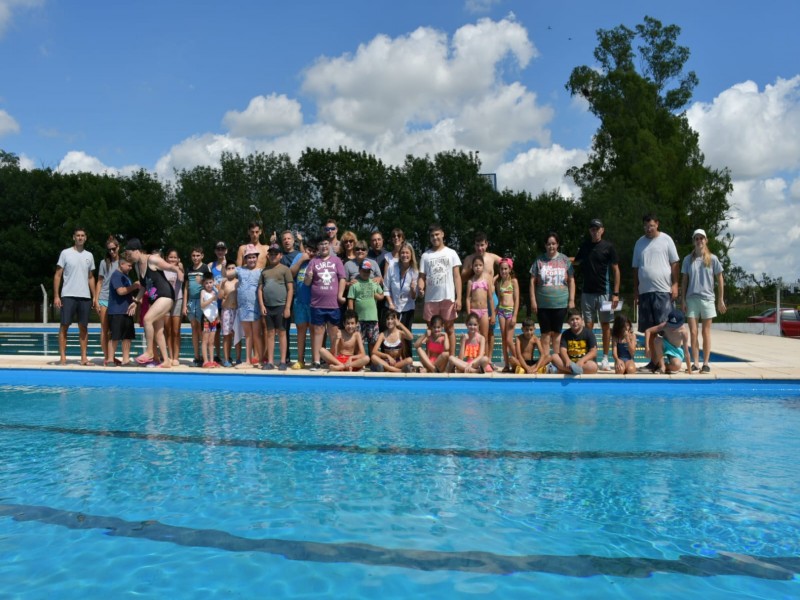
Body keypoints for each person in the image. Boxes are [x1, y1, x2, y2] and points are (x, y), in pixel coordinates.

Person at [632, 213, 680, 372]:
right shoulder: (639, 243)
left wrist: (675, 284)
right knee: (649, 329)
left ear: (657, 224)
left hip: (662, 291)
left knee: (665, 328)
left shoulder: (666, 240)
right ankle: (654, 363)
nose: (648, 228)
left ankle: (669, 361)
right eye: (646, 226)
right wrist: (636, 290)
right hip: (645, 292)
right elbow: (635, 269)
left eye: (651, 225)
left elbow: (674, 264)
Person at [574, 218, 620, 371]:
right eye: (592, 229)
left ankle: (605, 357)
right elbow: (576, 261)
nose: (595, 231)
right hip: (587, 293)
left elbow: (616, 270)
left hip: (604, 293)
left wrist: (615, 293)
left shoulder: (608, 247)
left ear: (602, 230)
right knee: (587, 326)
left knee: (605, 325)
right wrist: (559, 258)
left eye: (597, 228)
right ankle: (591, 356)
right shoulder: (585, 246)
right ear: (590, 231)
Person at [126, 238, 179, 367]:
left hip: (165, 296)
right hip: (154, 298)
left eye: (129, 253)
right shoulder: (138, 266)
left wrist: (180, 272)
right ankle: (166, 361)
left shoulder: (152, 259)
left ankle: (149, 352)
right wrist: (136, 301)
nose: (128, 257)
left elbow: (170, 266)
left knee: (147, 319)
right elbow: (143, 287)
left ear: (137, 251)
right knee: (158, 331)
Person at [681, 228, 726, 374]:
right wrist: (682, 300)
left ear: (706, 240)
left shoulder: (712, 259)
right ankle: (695, 363)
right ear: (694, 241)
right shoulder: (688, 259)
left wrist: (720, 300)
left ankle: (706, 363)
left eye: (701, 238)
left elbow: (720, 278)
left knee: (706, 332)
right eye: (696, 238)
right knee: (693, 332)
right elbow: (684, 280)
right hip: (691, 299)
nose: (699, 241)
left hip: (707, 299)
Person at [54, 227, 97, 366]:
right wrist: (56, 295)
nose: (80, 237)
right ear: (74, 237)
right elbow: (58, 275)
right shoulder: (65, 253)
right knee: (64, 326)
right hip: (68, 295)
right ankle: (63, 357)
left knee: (83, 327)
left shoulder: (89, 255)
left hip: (84, 296)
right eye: (77, 235)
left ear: (85, 238)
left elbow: (91, 277)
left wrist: (94, 296)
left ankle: (84, 358)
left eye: (82, 235)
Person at [529, 231, 575, 361]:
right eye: (549, 244)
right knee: (545, 333)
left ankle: (555, 360)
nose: (551, 246)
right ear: (545, 245)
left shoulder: (564, 260)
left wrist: (571, 300)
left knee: (557, 333)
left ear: (558, 244)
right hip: (543, 304)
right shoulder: (539, 260)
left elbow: (571, 280)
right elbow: (532, 281)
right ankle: (545, 359)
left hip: (561, 303)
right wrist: (533, 300)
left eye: (553, 243)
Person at [418, 223, 462, 353]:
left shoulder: (451, 253)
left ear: (442, 234)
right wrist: (421, 287)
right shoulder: (425, 256)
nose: (435, 238)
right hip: (431, 298)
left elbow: (457, 277)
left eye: (437, 234)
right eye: (432, 236)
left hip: (447, 296)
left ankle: (451, 359)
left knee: (450, 329)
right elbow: (422, 277)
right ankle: (431, 359)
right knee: (431, 331)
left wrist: (459, 298)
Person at [304, 237, 346, 371]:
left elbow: (342, 279)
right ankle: (316, 361)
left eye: (326, 243)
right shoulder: (313, 262)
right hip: (317, 304)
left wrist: (340, 295)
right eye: (321, 244)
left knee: (334, 333)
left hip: (333, 304)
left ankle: (333, 359)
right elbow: (306, 283)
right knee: (318, 332)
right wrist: (309, 277)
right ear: (318, 247)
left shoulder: (337, 261)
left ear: (329, 245)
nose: (324, 246)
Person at [461, 231, 503, 360]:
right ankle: (473, 358)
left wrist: (496, 278)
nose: (480, 248)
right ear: (474, 246)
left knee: (490, 330)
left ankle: (488, 358)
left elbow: (508, 264)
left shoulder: (492, 257)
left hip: (490, 297)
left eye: (482, 245)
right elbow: (461, 277)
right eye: (478, 245)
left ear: (487, 245)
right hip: (475, 300)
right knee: (474, 331)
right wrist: (471, 268)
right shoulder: (469, 259)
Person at [258, 244, 294, 370]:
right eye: (271, 254)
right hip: (268, 307)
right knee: (270, 334)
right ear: (268, 256)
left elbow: (290, 289)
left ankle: (283, 361)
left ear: (280, 255)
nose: (273, 256)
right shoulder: (264, 271)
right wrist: (262, 305)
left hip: (281, 306)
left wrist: (287, 307)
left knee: (282, 333)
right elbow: (260, 290)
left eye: (276, 254)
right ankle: (271, 361)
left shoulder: (285, 270)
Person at [106, 256, 140, 366]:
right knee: (115, 336)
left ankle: (126, 359)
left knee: (127, 337)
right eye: (129, 266)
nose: (131, 268)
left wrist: (135, 301)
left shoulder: (126, 276)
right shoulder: (116, 275)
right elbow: (120, 291)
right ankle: (110, 359)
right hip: (116, 311)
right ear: (122, 264)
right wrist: (134, 286)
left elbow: (127, 293)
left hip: (126, 311)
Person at [289, 239, 317, 369]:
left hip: (313, 302)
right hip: (299, 301)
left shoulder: (317, 261)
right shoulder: (299, 257)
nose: (310, 253)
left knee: (313, 330)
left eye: (313, 251)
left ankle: (314, 360)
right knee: (301, 331)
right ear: (305, 249)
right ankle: (300, 360)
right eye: (309, 250)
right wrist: (301, 260)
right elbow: (290, 273)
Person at [235, 244, 263, 368]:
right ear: (245, 259)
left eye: (253, 257)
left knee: (257, 335)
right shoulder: (240, 270)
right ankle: (247, 360)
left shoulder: (261, 272)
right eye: (249, 257)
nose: (251, 259)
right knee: (248, 335)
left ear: (257, 258)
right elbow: (226, 274)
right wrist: (224, 265)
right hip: (243, 307)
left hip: (256, 306)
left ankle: (261, 359)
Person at [347, 259, 384, 355]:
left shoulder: (374, 282)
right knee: (359, 343)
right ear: (359, 271)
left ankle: (373, 362)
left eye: (368, 271)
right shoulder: (354, 284)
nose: (366, 273)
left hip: (372, 318)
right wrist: (352, 316)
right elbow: (351, 299)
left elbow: (382, 295)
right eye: (364, 271)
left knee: (373, 342)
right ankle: (360, 362)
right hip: (359, 319)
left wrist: (377, 296)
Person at [183, 246, 210, 367]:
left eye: (198, 255)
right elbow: (186, 288)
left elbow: (209, 285)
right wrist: (184, 305)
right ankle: (196, 356)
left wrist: (201, 282)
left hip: (201, 302)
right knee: (194, 328)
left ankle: (204, 357)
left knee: (201, 329)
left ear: (202, 256)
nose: (195, 258)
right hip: (191, 302)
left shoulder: (205, 268)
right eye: (193, 255)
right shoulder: (188, 269)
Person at [95, 235, 120, 365]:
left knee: (114, 330)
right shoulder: (104, 262)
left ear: (118, 247)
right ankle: (107, 357)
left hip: (117, 300)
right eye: (109, 250)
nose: (111, 252)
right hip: (104, 298)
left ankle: (112, 355)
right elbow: (99, 281)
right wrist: (96, 299)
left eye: (113, 249)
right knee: (104, 328)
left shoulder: (123, 262)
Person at [465, 255, 495, 364]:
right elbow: (468, 298)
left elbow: (491, 299)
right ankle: (472, 359)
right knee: (474, 338)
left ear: (483, 266)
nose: (478, 267)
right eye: (476, 265)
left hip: (484, 312)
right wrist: (469, 315)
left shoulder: (486, 280)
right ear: (472, 267)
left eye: (480, 265)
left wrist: (493, 315)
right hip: (474, 312)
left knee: (485, 337)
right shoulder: (470, 282)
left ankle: (485, 361)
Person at [551, 308, 598, 375]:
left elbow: (593, 352)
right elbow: (563, 350)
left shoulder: (589, 333)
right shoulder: (565, 334)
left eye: (577, 319)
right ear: (568, 322)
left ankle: (565, 371)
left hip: (583, 363)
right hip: (569, 363)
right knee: (554, 356)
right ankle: (575, 371)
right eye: (572, 319)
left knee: (593, 367)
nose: (575, 321)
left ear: (582, 320)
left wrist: (582, 361)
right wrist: (567, 360)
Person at [645, 308, 692, 374]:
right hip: (665, 345)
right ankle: (662, 366)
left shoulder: (683, 333)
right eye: (671, 325)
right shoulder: (665, 325)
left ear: (681, 324)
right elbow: (648, 331)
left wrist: (690, 371)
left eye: (675, 326)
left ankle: (663, 366)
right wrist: (647, 348)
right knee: (657, 340)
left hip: (675, 350)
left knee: (677, 366)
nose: (672, 328)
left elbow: (686, 352)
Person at [384, 242, 418, 331]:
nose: (404, 255)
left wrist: (412, 289)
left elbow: (414, 297)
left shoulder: (414, 271)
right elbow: (386, 288)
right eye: (402, 252)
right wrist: (391, 303)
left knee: (406, 334)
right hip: (393, 307)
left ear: (411, 255)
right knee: (392, 334)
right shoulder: (392, 267)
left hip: (408, 308)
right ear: (399, 254)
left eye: (407, 253)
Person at [495, 257, 519, 372]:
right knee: (504, 340)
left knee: (509, 340)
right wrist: (494, 314)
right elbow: (499, 300)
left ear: (510, 269)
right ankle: (506, 364)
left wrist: (515, 315)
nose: (503, 271)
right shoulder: (499, 283)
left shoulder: (513, 281)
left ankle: (518, 361)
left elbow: (517, 299)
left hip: (510, 312)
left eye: (505, 268)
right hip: (501, 312)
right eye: (501, 269)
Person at [208, 241, 228, 362]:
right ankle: (217, 354)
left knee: (227, 331)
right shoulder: (211, 265)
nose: (220, 251)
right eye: (218, 249)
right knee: (215, 331)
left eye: (222, 249)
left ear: (226, 251)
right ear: (215, 251)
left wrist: (225, 266)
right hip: (214, 304)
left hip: (226, 303)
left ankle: (227, 355)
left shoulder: (230, 265)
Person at [163, 249, 184, 366]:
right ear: (167, 258)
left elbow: (181, 279)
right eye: (170, 257)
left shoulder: (180, 269)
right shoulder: (163, 269)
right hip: (165, 301)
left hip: (177, 300)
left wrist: (179, 268)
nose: (172, 259)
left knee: (176, 331)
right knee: (168, 330)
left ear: (178, 259)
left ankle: (176, 356)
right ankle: (169, 356)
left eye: (175, 257)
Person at [218, 262, 239, 367]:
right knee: (227, 336)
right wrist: (221, 286)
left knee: (237, 336)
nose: (231, 270)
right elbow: (220, 296)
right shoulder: (224, 282)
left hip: (237, 311)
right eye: (229, 268)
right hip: (226, 311)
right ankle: (226, 359)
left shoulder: (239, 282)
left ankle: (238, 358)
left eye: (233, 268)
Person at [199, 272, 220, 368]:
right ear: (203, 284)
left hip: (214, 319)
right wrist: (212, 299)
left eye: (210, 282)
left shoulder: (214, 292)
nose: (208, 285)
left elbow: (215, 307)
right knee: (205, 340)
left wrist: (218, 316)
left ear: (213, 282)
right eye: (206, 283)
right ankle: (205, 361)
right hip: (206, 319)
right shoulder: (203, 292)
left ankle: (211, 360)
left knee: (211, 341)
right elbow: (202, 305)